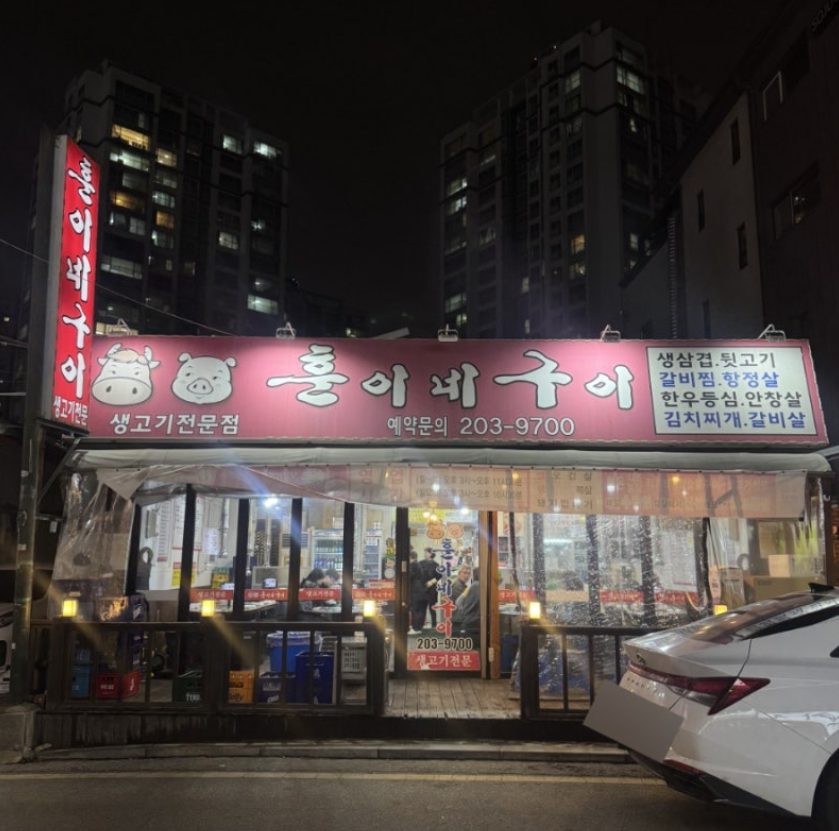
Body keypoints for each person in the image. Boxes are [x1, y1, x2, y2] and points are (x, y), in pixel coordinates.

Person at [451, 567, 481, 643]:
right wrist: (466, 613)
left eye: (468, 573)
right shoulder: (458, 586)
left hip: (460, 619)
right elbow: (460, 603)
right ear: (459, 574)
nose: (466, 575)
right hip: (458, 619)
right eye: (464, 573)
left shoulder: (465, 585)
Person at [419, 547, 441, 628]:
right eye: (424, 553)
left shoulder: (436, 565)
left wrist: (431, 582)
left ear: (431, 554)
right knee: (422, 608)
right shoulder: (420, 563)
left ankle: (434, 625)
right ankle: (421, 625)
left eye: (426, 553)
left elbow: (439, 575)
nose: (424, 554)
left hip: (432, 589)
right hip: (422, 588)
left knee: (432, 608)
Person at [408, 549, 427, 635]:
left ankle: (415, 628)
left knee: (414, 609)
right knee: (418, 609)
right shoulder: (418, 564)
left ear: (411, 557)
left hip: (414, 589)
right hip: (419, 589)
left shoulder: (413, 565)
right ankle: (418, 628)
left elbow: (409, 577)